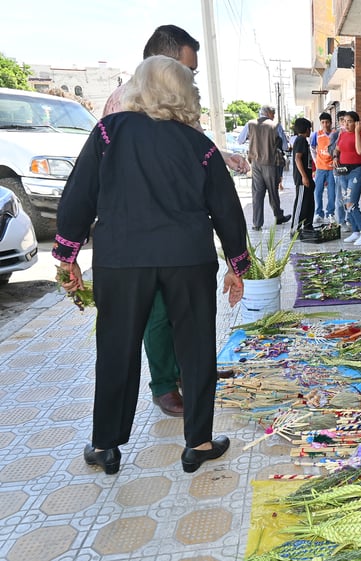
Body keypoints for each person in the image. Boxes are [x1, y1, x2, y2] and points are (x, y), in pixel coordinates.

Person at [54, 56, 251, 475]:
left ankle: (106, 446)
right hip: (189, 259)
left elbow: (79, 194)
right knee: (196, 350)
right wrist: (237, 264)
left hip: (123, 260)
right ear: (186, 94)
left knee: (116, 349)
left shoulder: (110, 132)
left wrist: (66, 255)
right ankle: (198, 443)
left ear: (139, 88)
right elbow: (227, 208)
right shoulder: (199, 145)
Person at [102, 24, 249, 417]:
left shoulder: (175, 100)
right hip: (142, 235)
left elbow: (189, 149)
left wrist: (219, 156)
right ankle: (164, 383)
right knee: (157, 312)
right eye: (188, 69)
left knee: (185, 313)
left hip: (181, 230)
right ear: (163, 64)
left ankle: (190, 373)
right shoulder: (125, 105)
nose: (192, 78)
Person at [238, 105, 292, 231]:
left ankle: (257, 223)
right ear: (269, 113)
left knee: (257, 193)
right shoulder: (275, 126)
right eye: (273, 114)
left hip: (256, 163)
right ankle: (278, 216)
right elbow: (285, 146)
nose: (273, 117)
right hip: (271, 163)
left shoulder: (250, 124)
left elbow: (240, 140)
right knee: (273, 192)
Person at [334, 110, 361, 246]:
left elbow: (360, 151)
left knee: (351, 203)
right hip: (343, 171)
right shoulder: (342, 134)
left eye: (349, 121)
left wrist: (357, 131)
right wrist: (335, 157)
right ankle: (356, 231)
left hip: (357, 171)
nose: (346, 124)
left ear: (356, 122)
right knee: (346, 203)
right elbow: (337, 149)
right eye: (344, 121)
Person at [310, 112, 336, 225]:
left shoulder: (335, 134)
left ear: (331, 123)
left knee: (332, 193)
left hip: (332, 169)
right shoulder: (316, 135)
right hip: (320, 168)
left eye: (327, 122)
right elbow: (312, 148)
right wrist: (316, 161)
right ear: (320, 123)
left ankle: (330, 213)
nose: (325, 124)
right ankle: (319, 214)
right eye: (323, 122)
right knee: (318, 192)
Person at [290, 117, 315, 232]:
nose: (310, 131)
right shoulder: (300, 140)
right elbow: (297, 158)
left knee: (308, 202)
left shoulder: (304, 141)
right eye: (309, 128)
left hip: (308, 176)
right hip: (302, 178)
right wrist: (304, 176)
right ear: (305, 129)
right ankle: (295, 229)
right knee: (301, 202)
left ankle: (308, 225)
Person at [329, 110, 349, 231]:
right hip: (339, 170)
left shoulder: (352, 134)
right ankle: (342, 221)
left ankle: (350, 219)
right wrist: (340, 136)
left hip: (351, 169)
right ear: (338, 121)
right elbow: (330, 150)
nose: (344, 122)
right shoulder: (335, 134)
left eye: (346, 120)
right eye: (341, 120)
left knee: (350, 196)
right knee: (340, 197)